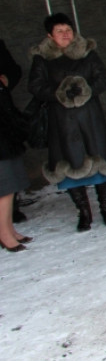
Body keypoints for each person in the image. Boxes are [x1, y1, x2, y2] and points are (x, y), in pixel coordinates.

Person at [28, 13, 106, 232]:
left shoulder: (87, 53)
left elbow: (103, 78)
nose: (65, 34)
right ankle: (83, 212)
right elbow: (36, 87)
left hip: (90, 117)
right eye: (59, 31)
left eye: (68, 30)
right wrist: (59, 93)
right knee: (68, 164)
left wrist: (87, 90)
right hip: (62, 122)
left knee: (100, 160)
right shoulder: (42, 59)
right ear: (50, 36)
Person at [0, 38, 32, 251]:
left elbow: (13, 70)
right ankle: (3, 233)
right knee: (3, 183)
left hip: (3, 119)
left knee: (10, 181)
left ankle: (8, 228)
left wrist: (6, 79)